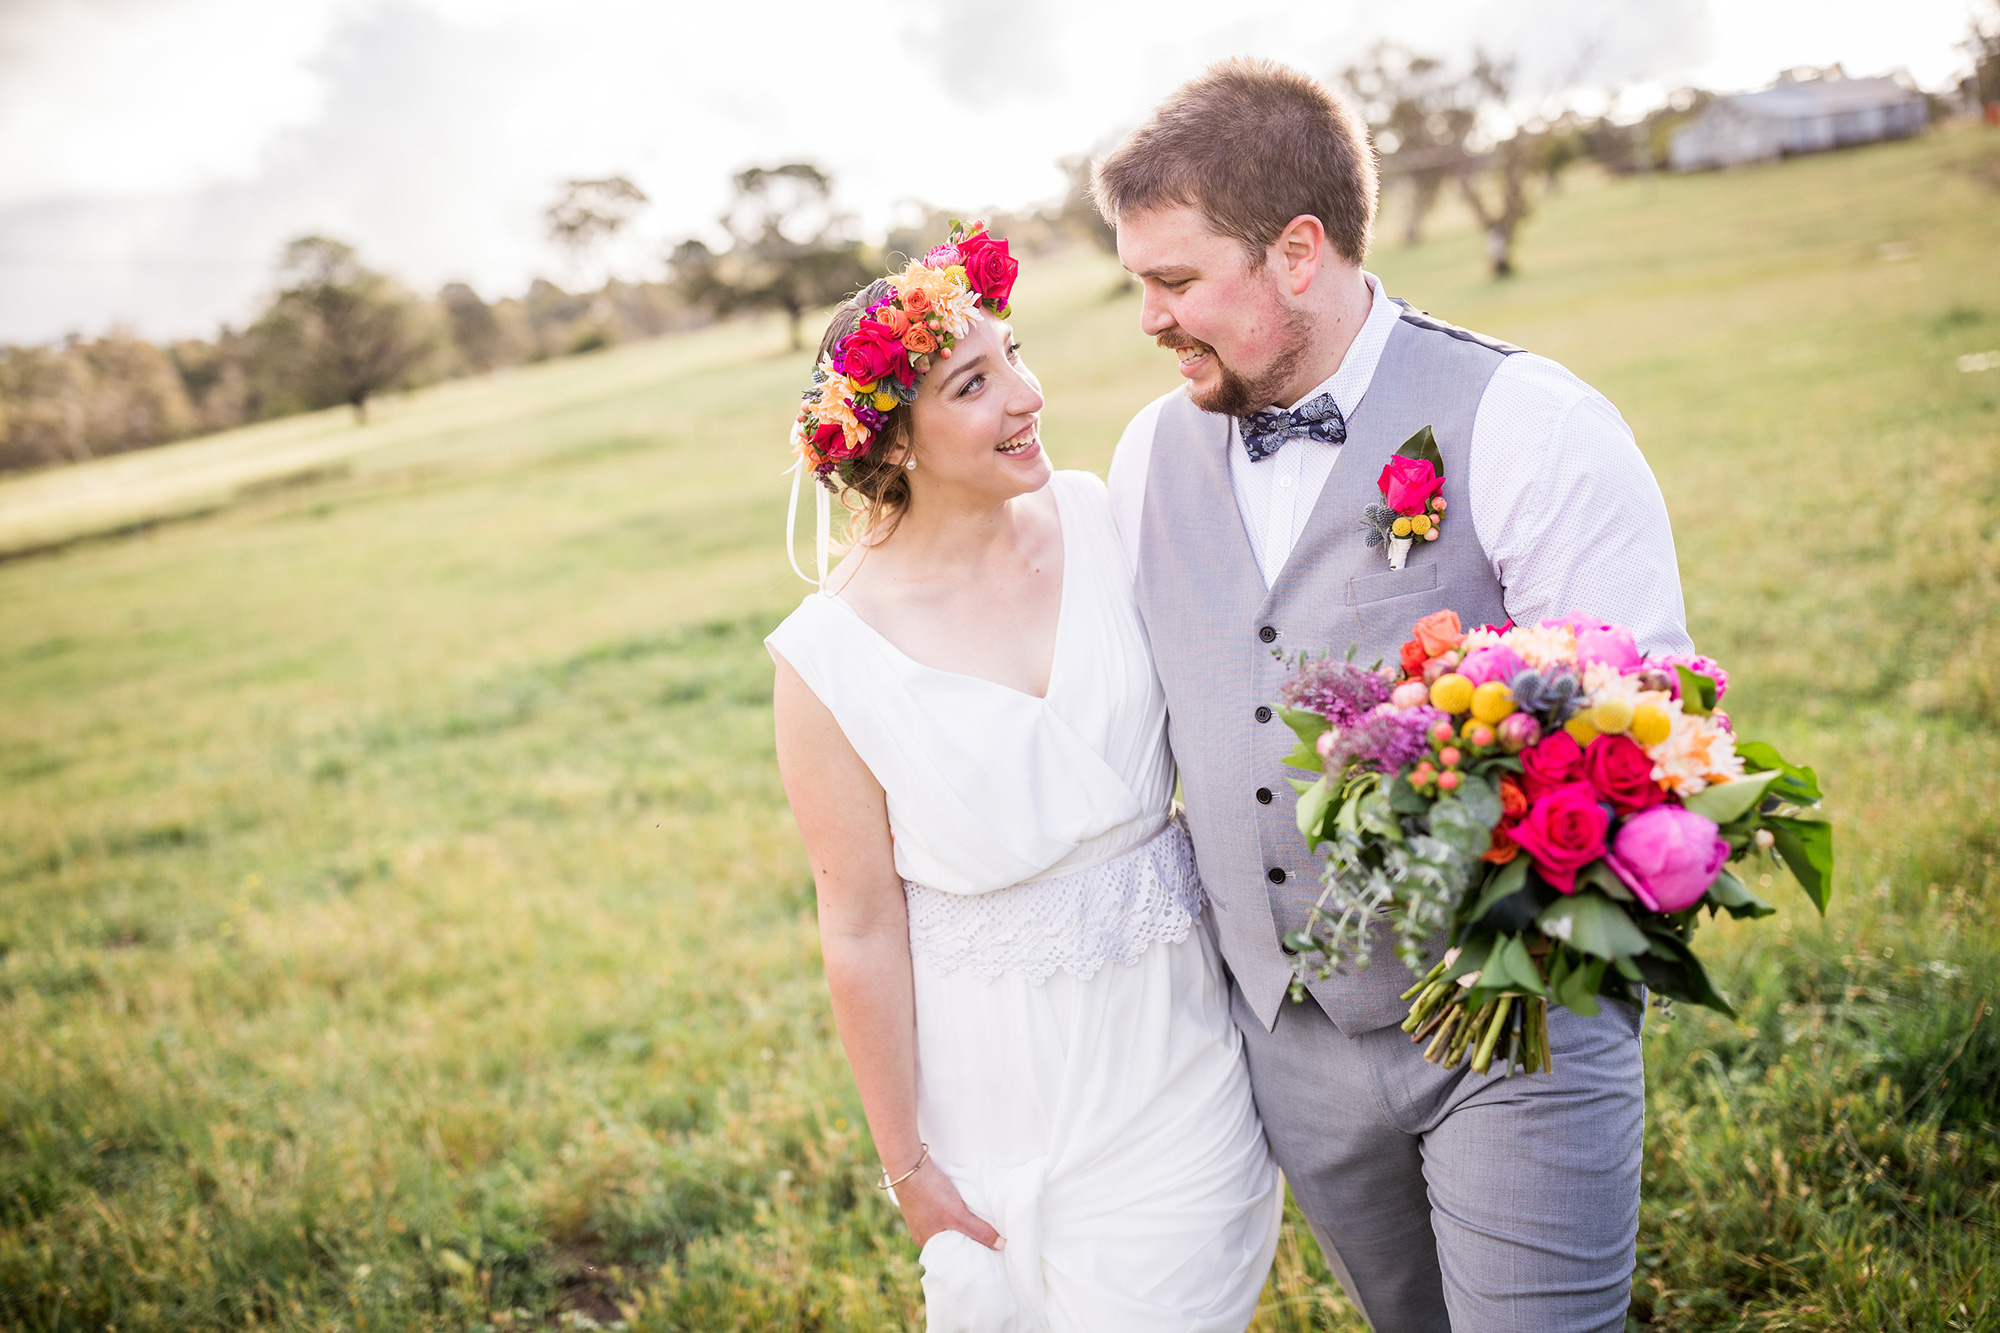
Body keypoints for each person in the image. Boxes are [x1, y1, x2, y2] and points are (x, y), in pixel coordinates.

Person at [1096, 59, 1695, 1333]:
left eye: (1174, 280)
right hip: (1288, 1045)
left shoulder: (1525, 421)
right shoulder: (1148, 455)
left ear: (1297, 252)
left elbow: (1653, 741)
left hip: (1511, 1022)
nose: (1146, 318)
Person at [765, 226, 1281, 1331]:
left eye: (1014, 354)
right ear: (891, 442)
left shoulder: (1102, 519)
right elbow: (856, 926)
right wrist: (907, 1164)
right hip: (993, 1091)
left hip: (1177, 1048)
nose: (1025, 395)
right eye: (972, 381)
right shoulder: (827, 660)